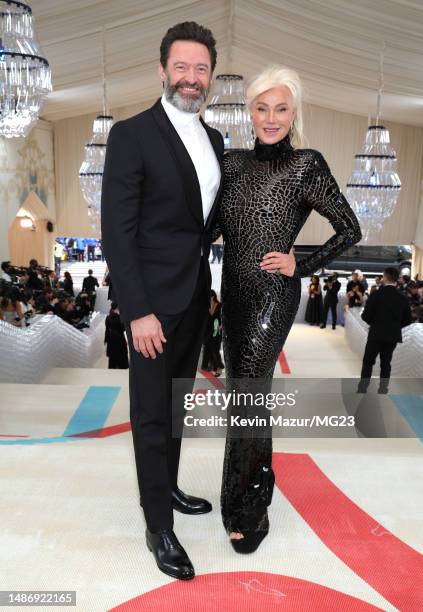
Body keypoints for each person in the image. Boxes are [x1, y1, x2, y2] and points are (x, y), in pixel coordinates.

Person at [212, 64, 361, 553]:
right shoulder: (231, 165)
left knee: (248, 398)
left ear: (293, 112)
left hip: (272, 298)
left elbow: (349, 229)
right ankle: (248, 493)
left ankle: (246, 509)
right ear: (249, 112)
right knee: (244, 397)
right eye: (261, 108)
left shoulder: (306, 165)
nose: (271, 118)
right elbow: (208, 229)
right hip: (233, 296)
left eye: (280, 108)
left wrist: (302, 264)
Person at [101, 22, 223, 581]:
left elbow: (205, 226)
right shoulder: (132, 134)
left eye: (201, 69)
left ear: (211, 76)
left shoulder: (215, 139)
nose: (191, 79)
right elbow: (117, 233)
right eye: (182, 67)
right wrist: (137, 310)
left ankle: (168, 487)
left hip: (196, 297)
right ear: (162, 70)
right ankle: (157, 527)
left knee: (176, 405)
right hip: (151, 304)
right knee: (151, 414)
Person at [357, 267, 412, 394]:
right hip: (392, 335)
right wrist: (395, 326)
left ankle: (362, 389)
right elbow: (408, 320)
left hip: (376, 333)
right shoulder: (402, 298)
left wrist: (375, 324)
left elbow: (365, 316)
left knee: (368, 362)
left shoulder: (376, 294)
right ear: (396, 279)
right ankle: (383, 389)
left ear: (385, 277)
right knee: (386, 363)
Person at [201, 289, 224, 375]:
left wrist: (222, 325)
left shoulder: (220, 305)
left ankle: (219, 367)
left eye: (209, 297)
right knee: (207, 349)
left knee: (215, 349)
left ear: (213, 296)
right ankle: (207, 366)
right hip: (207, 331)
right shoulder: (206, 306)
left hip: (217, 331)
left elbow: (223, 317)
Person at [104, 303, 129, 369]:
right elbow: (123, 329)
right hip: (120, 339)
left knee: (112, 358)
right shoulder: (121, 318)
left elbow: (107, 330)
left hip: (111, 339)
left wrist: (106, 340)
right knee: (122, 356)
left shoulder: (108, 317)